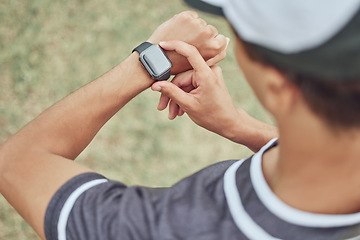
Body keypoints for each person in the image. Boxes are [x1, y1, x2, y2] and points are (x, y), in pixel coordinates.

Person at [1, 1, 359, 240]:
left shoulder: (173, 230)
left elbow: (18, 164)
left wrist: (150, 61)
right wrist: (237, 125)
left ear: (279, 86)